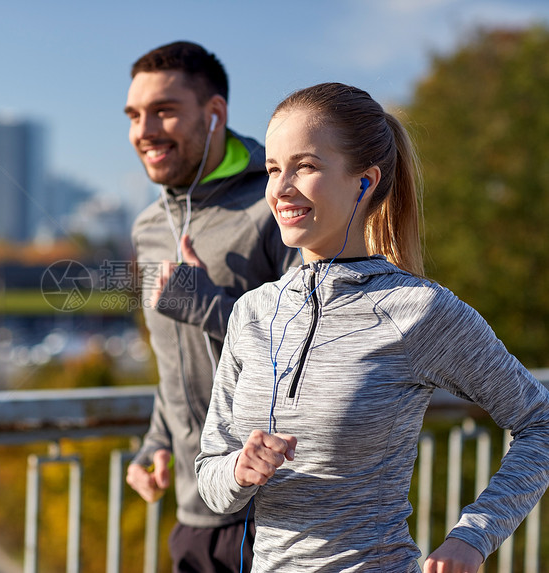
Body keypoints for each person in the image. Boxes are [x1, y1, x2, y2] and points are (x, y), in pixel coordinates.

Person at [195, 82, 549, 572]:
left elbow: (540, 422)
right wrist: (238, 470)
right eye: (274, 169)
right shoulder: (251, 312)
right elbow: (210, 480)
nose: (280, 188)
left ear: (365, 180)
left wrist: (475, 535)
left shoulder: (419, 311)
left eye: (306, 166)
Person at [123, 41, 296, 571]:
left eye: (165, 111)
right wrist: (155, 443)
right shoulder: (150, 228)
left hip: (272, 512)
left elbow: (305, 353)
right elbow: (176, 365)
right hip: (193, 513)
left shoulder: (276, 206)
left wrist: (208, 307)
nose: (143, 130)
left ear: (214, 113)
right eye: (134, 115)